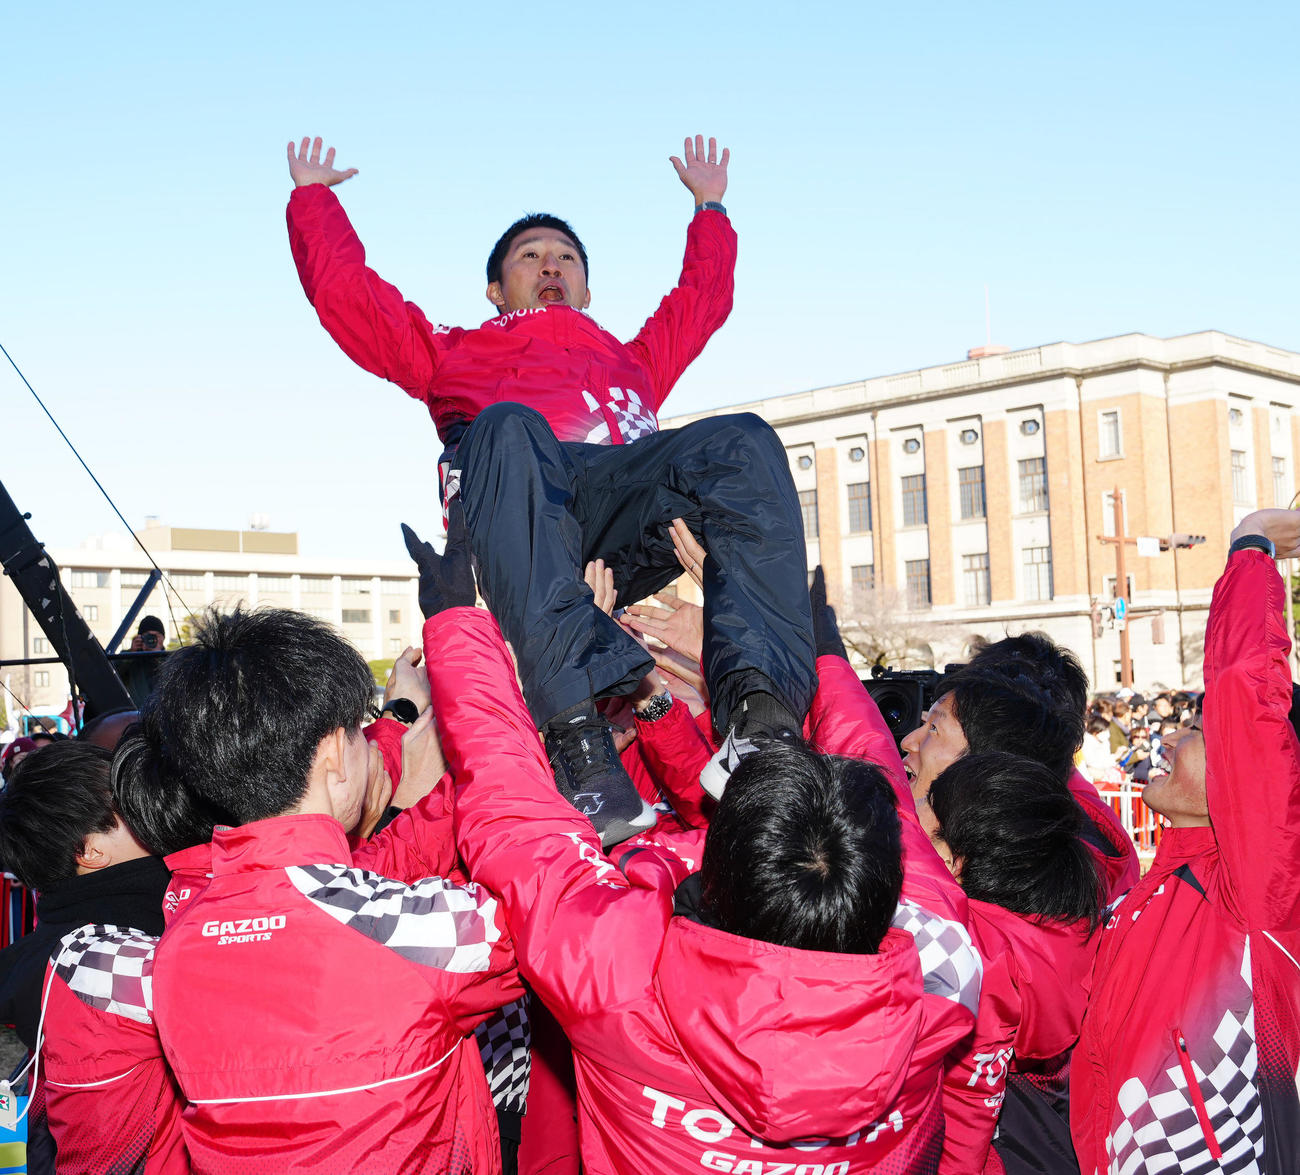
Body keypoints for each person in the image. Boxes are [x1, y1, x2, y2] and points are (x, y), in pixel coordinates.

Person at [288, 135, 817, 847]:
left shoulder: (631, 359)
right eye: (530, 256)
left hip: (618, 518)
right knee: (508, 426)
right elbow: (350, 299)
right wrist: (314, 200)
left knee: (743, 439)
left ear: (588, 288)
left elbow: (702, 301)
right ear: (496, 288)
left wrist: (710, 206)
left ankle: (761, 722)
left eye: (566, 257)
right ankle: (580, 747)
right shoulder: (453, 349)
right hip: (522, 523)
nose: (550, 265)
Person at [406, 528, 980, 1174]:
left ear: (712, 866)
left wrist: (458, 622)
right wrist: (824, 663)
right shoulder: (947, 974)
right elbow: (886, 800)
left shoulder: (619, 976)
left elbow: (515, 813)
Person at [139, 606, 524, 1173]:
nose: (374, 746)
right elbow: (550, 892)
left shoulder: (176, 942)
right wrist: (505, 709)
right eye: (361, 734)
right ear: (335, 751)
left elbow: (367, 875)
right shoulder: (408, 931)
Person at [1071, 508, 1300, 1175]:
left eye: (1200, 730)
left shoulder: (1254, 894)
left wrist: (1251, 549)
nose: (1171, 736)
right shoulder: (1155, 889)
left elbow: (1244, 692)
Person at [925, 752, 1104, 1173]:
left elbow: (967, 1118)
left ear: (957, 861)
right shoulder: (1072, 926)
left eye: (930, 832)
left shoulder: (977, 958)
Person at [0, 740, 172, 1173]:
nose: (149, 805)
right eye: (129, 802)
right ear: (90, 851)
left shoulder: (52, 942)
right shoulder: (96, 956)